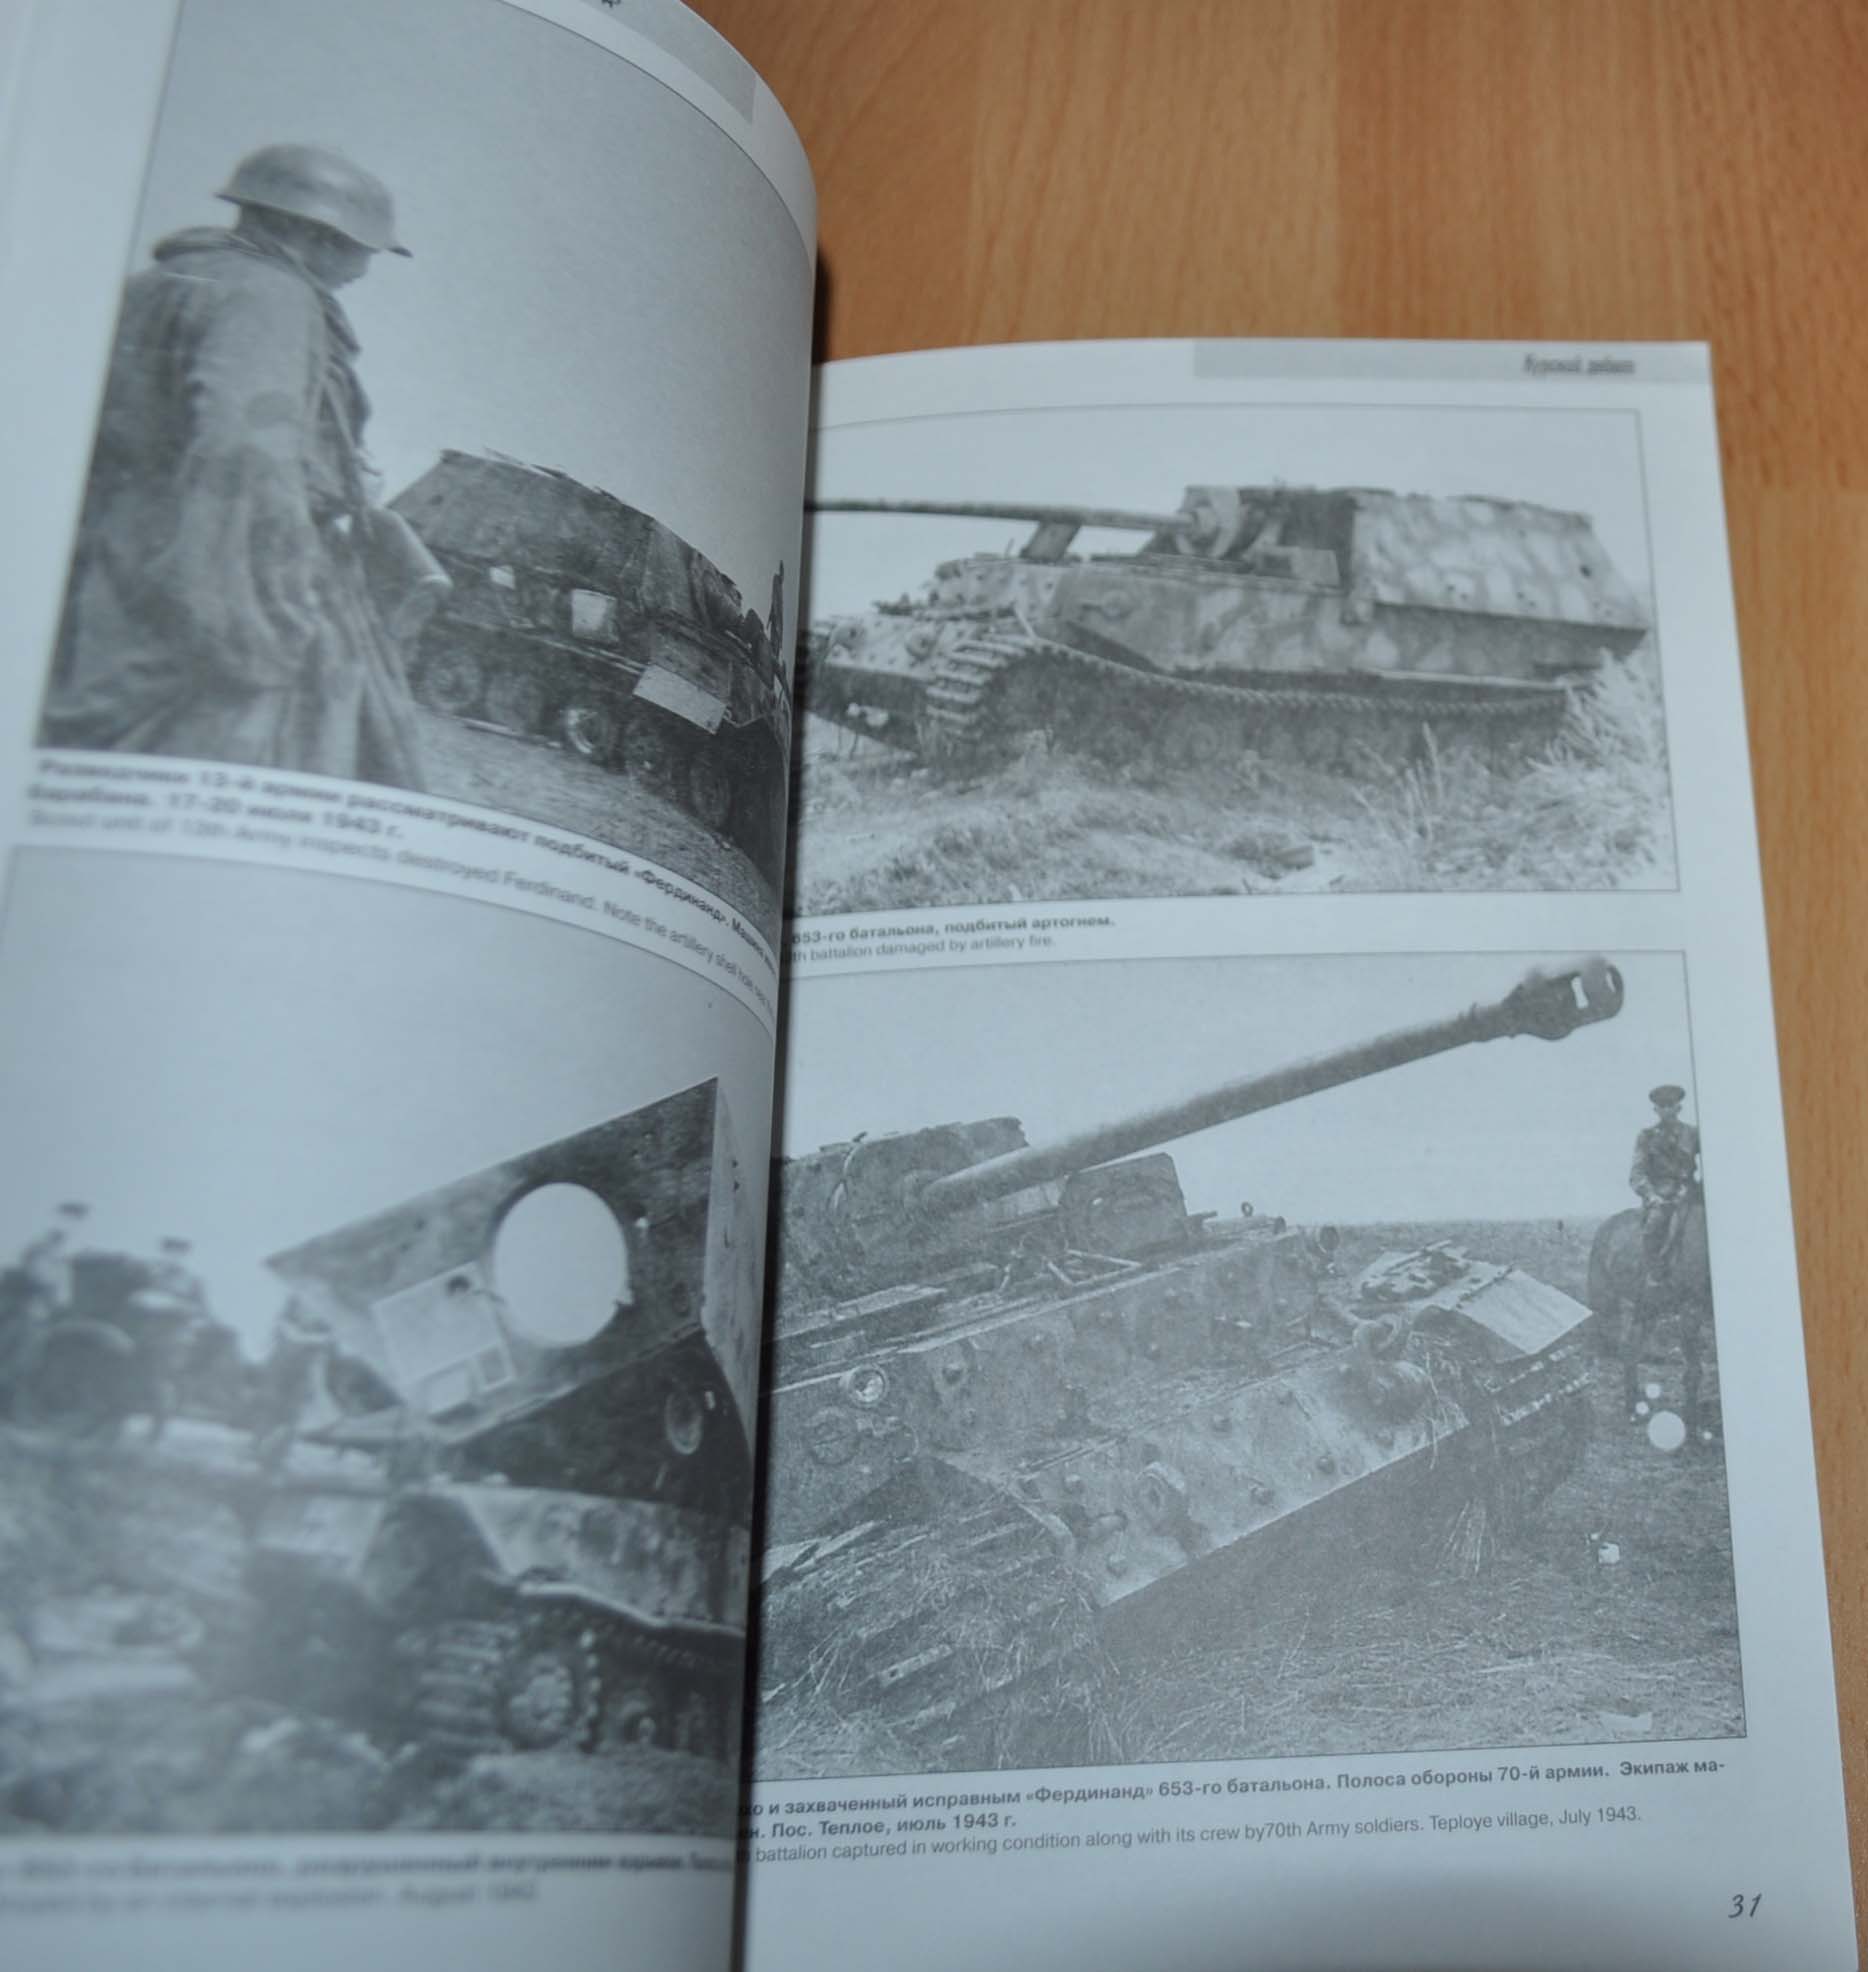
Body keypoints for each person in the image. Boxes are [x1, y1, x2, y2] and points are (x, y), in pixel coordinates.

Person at [41, 143, 447, 786]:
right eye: (360, 250)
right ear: (315, 234)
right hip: (221, 586)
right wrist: (269, 620)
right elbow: (244, 459)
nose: (363, 270)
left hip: (116, 573)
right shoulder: (270, 296)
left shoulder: (154, 286)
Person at [1629, 1084, 1701, 1287]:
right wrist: (1652, 1196)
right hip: (1663, 1195)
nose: (1667, 1110)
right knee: (1655, 1225)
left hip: (1691, 1190)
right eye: (1662, 1106)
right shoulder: (1647, 1136)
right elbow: (1637, 1174)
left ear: (1679, 1107)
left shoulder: (1693, 1134)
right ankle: (1655, 1275)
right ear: (1656, 1110)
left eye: (1671, 1105)